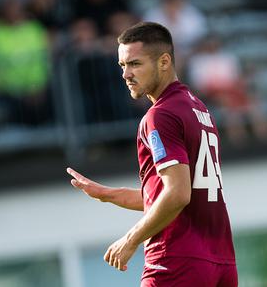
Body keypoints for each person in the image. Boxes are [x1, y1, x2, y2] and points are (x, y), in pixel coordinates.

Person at [67, 22, 237, 286]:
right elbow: (178, 193)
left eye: (135, 64)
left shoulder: (160, 115)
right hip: (221, 262)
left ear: (164, 61)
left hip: (176, 260)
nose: (126, 74)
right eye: (122, 66)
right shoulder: (199, 109)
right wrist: (108, 195)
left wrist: (130, 239)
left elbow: (178, 194)